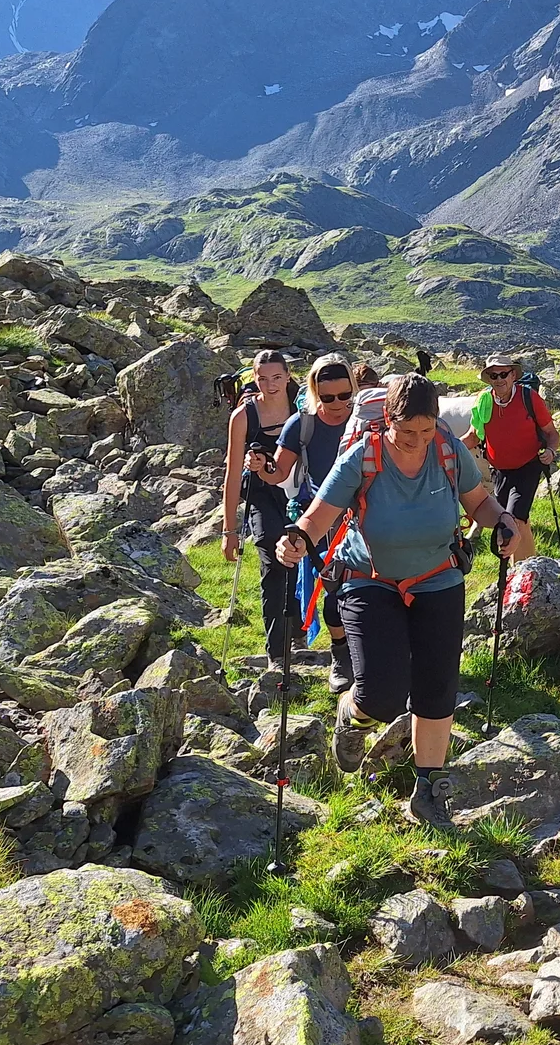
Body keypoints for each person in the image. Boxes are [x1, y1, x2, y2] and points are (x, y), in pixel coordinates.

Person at [277, 374, 534, 828]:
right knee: (382, 693)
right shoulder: (364, 456)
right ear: (387, 421)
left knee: (437, 687)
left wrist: (503, 523)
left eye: (427, 429)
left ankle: (428, 790)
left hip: (438, 577)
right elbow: (318, 515)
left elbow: (479, 503)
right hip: (369, 580)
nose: (417, 440)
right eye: (407, 430)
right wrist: (295, 539)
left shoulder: (450, 451)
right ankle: (353, 717)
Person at [257, 353, 357, 691]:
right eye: (328, 398)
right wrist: (262, 468)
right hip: (320, 519)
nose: (338, 404)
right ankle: (342, 655)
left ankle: (362, 653)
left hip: (361, 517)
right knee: (333, 587)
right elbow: (280, 473)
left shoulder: (364, 420)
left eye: (345, 395)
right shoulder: (302, 424)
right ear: (315, 392)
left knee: (363, 586)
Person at [222, 350, 299, 658]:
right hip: (261, 495)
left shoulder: (303, 408)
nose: (270, 385)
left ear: (288, 377)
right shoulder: (243, 417)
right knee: (273, 563)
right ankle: (278, 651)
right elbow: (231, 473)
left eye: (277, 378)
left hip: (299, 493)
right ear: (254, 378)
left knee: (297, 560)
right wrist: (229, 530)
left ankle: (299, 635)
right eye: (263, 379)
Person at [461, 355, 560, 525]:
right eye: (494, 376)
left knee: (513, 518)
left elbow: (552, 433)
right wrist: (447, 448)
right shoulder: (484, 400)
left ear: (513, 375)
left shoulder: (529, 398)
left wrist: (551, 451)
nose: (499, 379)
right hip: (499, 470)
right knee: (509, 519)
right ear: (489, 379)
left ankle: (510, 552)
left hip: (528, 467)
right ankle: (525, 553)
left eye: (504, 374)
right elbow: (474, 436)